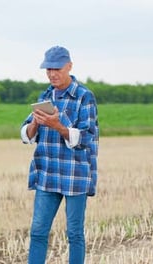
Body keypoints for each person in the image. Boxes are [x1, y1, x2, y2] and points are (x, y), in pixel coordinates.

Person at [20, 46, 99, 264]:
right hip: (47, 173)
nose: (52, 74)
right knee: (37, 232)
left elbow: (87, 137)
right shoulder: (45, 96)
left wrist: (58, 125)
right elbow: (26, 134)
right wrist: (35, 122)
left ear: (69, 66)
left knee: (74, 234)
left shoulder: (85, 97)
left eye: (57, 68)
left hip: (76, 175)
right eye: (48, 69)